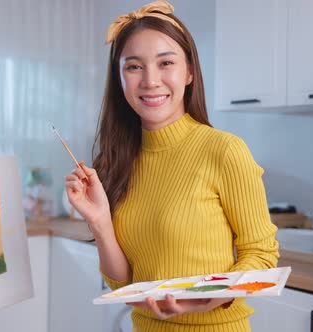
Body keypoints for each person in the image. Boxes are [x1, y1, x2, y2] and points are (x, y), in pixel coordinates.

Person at [65, 1, 279, 331]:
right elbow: (123, 286)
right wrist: (99, 221)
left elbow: (262, 257)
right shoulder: (116, 163)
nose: (151, 80)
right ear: (119, 78)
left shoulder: (224, 150)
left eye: (166, 62)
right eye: (133, 67)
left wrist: (207, 296)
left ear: (189, 71)